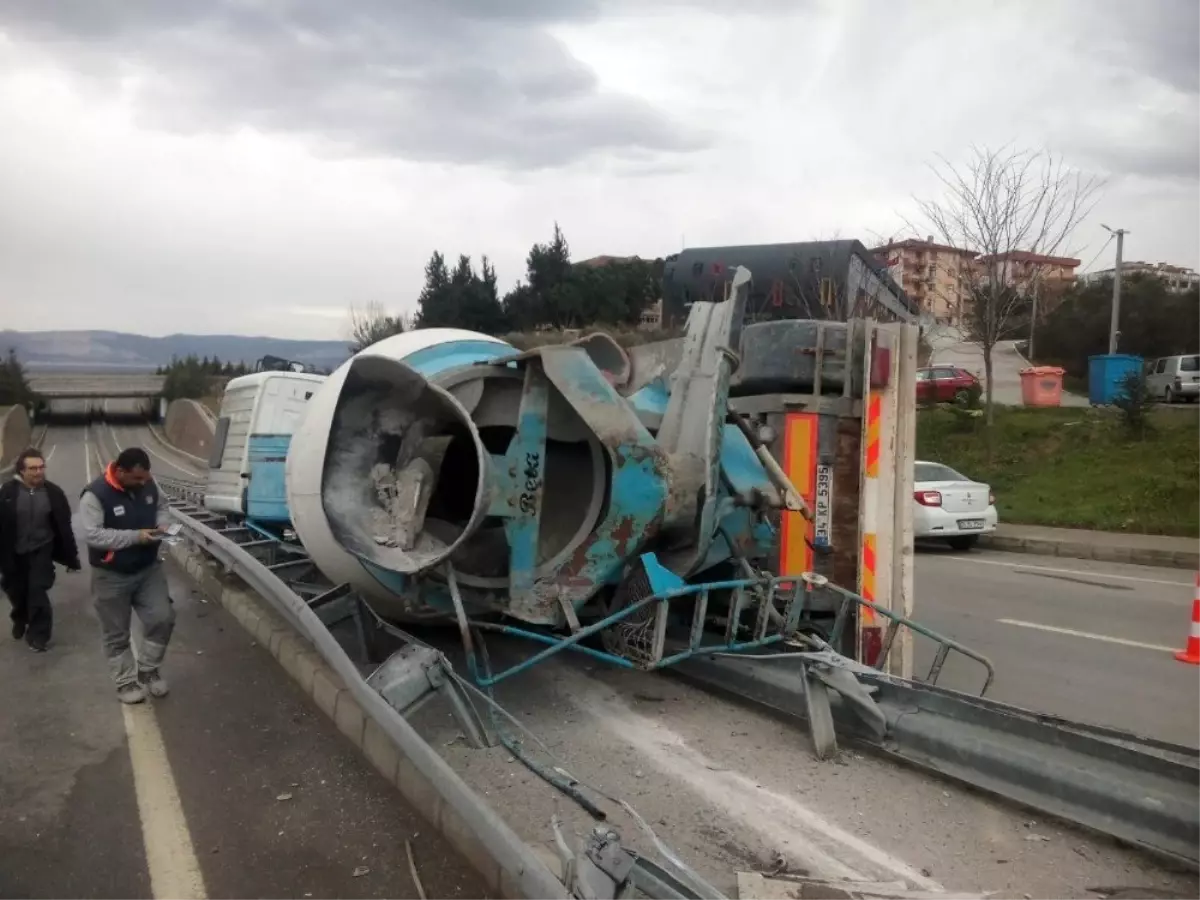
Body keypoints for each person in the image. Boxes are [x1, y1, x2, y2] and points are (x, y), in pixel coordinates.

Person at [79, 446, 176, 705]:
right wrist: (136, 536)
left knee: (163, 618)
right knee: (116, 633)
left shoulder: (148, 482)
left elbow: (163, 505)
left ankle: (148, 670)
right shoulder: (95, 495)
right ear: (120, 472)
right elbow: (93, 535)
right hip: (110, 575)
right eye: (137, 479)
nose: (142, 483)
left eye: (145, 478)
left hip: (148, 569)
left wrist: (163, 524)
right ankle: (125, 682)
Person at [0, 448, 81, 651]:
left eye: (41, 467)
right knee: (16, 591)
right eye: (33, 468)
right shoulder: (8, 492)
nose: (38, 472)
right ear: (22, 471)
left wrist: (72, 558)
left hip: (41, 550)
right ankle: (20, 617)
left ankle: (38, 636)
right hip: (14, 553)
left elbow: (64, 526)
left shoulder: (54, 493)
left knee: (37, 590)